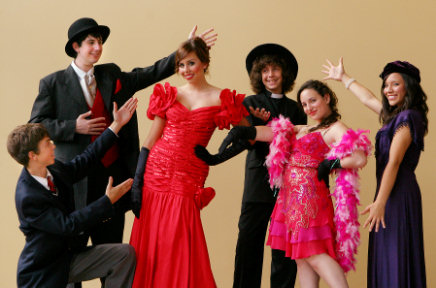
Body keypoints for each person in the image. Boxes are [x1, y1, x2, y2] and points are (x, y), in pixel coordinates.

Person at [29, 17, 217, 253]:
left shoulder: (111, 74)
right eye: (91, 42)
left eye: (99, 42)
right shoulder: (52, 84)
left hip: (113, 180)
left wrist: (186, 50)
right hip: (75, 184)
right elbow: (35, 125)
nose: (98, 47)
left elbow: (149, 73)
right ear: (76, 47)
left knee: (113, 256)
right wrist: (72, 127)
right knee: (69, 261)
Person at [214, 80, 371, 288]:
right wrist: (244, 132)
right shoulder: (304, 128)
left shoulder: (335, 128)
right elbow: (272, 133)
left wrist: (329, 163)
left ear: (326, 98)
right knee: (302, 260)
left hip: (310, 200)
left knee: (315, 255)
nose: (309, 107)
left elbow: (359, 158)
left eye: (313, 100)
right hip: (289, 200)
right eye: (304, 104)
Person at [128, 37, 249, 287]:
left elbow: (248, 135)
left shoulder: (222, 98)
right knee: (152, 241)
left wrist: (217, 158)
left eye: (191, 63)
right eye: (181, 65)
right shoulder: (169, 94)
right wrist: (138, 181)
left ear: (204, 63)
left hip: (188, 176)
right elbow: (150, 139)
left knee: (179, 240)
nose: (185, 71)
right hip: (155, 174)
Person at [8, 98, 138, 288]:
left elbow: (86, 160)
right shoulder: (28, 197)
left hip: (70, 256)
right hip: (45, 272)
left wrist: (116, 125)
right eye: (47, 144)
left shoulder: (53, 168)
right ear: (32, 155)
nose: (53, 145)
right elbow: (68, 225)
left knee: (124, 254)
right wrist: (107, 201)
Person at [322, 58, 428, 287]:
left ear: (408, 87)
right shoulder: (394, 117)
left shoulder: (410, 117)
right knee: (386, 252)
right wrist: (344, 78)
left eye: (395, 84)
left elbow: (394, 161)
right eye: (386, 85)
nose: (388, 90)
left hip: (398, 194)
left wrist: (380, 201)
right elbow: (368, 98)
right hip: (387, 193)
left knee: (396, 252)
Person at [234, 44, 306, 288]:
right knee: (248, 245)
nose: (270, 75)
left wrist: (271, 125)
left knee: (284, 249)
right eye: (265, 70)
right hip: (257, 183)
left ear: (284, 73)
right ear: (258, 75)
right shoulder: (249, 102)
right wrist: (261, 127)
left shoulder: (296, 108)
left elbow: (299, 144)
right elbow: (247, 139)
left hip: (288, 186)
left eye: (275, 69)